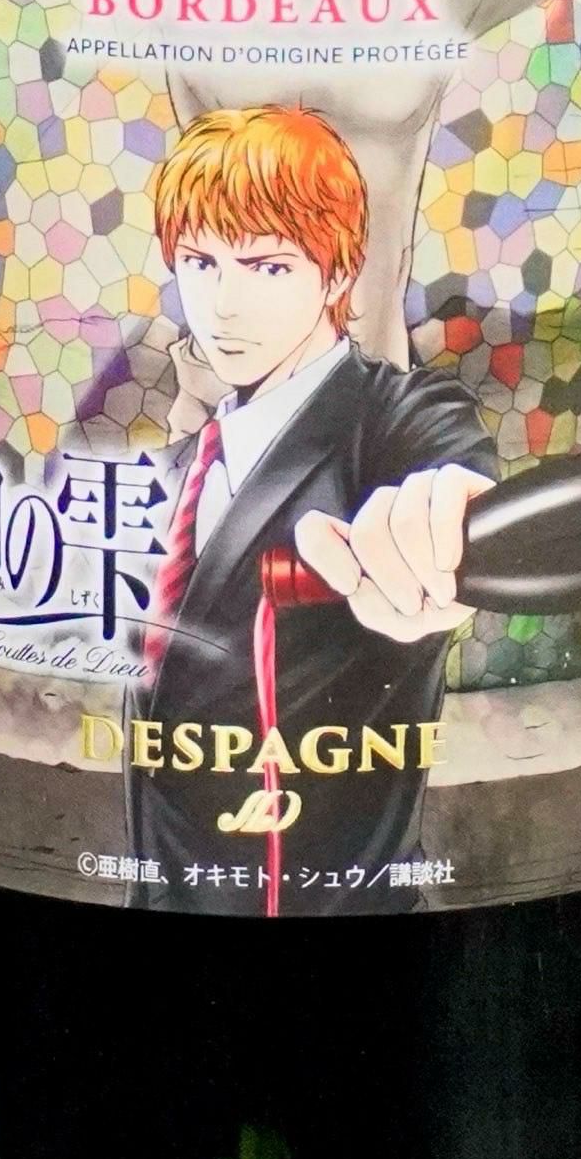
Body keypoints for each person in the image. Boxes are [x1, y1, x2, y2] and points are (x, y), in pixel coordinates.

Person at [126, 104, 493, 914]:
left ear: (334, 275)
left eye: (268, 268)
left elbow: (457, 492)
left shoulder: (391, 416)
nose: (224, 304)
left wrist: (450, 537)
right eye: (200, 262)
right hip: (148, 932)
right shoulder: (187, 465)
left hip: (354, 933)